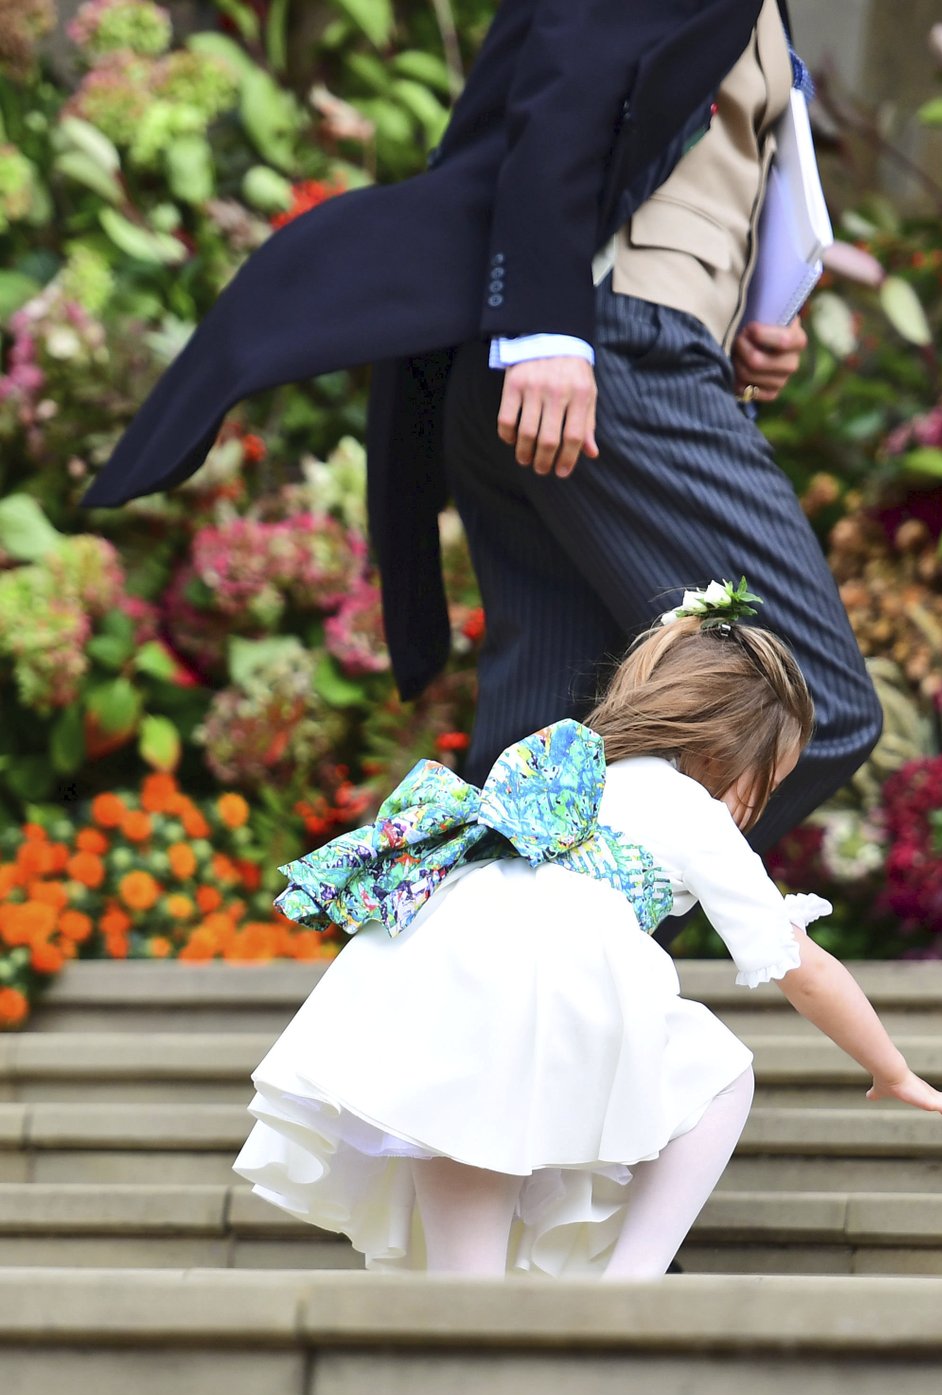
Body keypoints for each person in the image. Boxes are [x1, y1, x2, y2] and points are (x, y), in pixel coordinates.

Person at [80, 0, 882, 857]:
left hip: (588, 363)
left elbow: (667, 135)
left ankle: (487, 972)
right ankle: (549, 955)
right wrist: (545, 324)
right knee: (801, 705)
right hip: (603, 363)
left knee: (544, 765)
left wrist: (744, 320)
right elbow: (568, 70)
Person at [233, 585, 942, 1279]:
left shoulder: (568, 773)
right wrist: (894, 1071)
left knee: (459, 1122)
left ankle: (463, 1312)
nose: (758, 806)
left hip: (449, 958)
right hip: (554, 979)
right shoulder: (694, 812)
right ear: (724, 756)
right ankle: (630, 1284)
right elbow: (803, 967)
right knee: (719, 1071)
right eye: (767, 782)